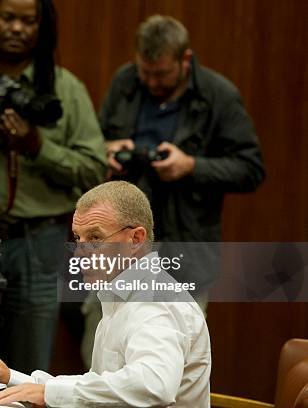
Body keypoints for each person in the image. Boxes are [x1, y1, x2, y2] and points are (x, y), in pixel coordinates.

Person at [80, 14, 266, 366]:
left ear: (185, 60)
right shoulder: (126, 82)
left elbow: (251, 168)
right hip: (120, 244)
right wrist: (107, 150)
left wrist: (191, 166)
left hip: (186, 248)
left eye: (161, 75)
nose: (151, 82)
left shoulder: (219, 95)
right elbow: (95, 141)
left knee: (169, 358)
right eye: (144, 73)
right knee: (102, 350)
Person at [0, 0, 107, 373]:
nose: (16, 28)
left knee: (30, 365)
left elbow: (95, 170)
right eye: (8, 18)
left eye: (28, 21)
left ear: (42, 26)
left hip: (38, 242)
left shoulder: (65, 87)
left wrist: (38, 148)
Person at [0, 181, 211, 407]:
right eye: (77, 238)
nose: (79, 253)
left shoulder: (155, 303)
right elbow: (103, 388)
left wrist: (47, 393)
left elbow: (154, 384)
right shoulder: (123, 293)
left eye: (95, 238)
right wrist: (12, 379)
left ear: (135, 239)